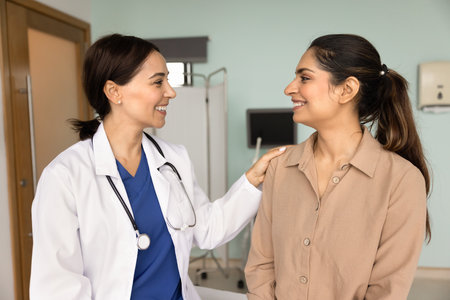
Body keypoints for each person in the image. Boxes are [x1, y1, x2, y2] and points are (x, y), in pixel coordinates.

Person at [29, 33, 286, 300]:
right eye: (158, 82)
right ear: (114, 91)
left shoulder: (174, 159)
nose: (171, 92)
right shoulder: (65, 176)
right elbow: (58, 288)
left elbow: (207, 230)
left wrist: (252, 180)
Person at [245, 34, 431, 300]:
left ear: (347, 89)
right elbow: (262, 265)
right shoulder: (280, 168)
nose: (289, 88)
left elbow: (386, 290)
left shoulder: (402, 180)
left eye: (304, 78)